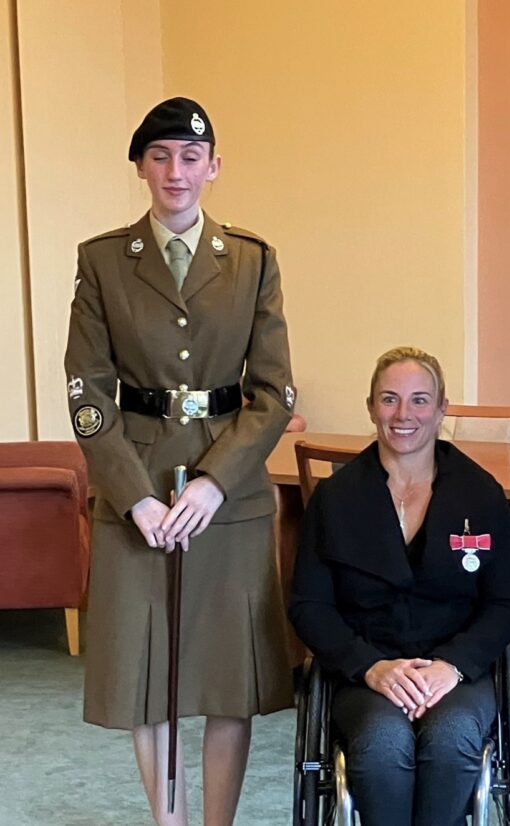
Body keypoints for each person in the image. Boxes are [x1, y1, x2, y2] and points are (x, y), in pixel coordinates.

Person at [65, 97, 296, 826]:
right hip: (134, 485)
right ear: (141, 167)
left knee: (229, 679)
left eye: (190, 157)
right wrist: (135, 497)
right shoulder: (103, 261)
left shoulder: (253, 260)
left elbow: (274, 391)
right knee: (145, 672)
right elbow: (88, 393)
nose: (176, 171)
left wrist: (214, 485)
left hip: (228, 493)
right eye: (160, 156)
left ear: (213, 168)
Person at [289, 346, 510, 826]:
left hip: (457, 669)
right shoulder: (336, 498)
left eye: (420, 400)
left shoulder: (481, 494)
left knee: (454, 735)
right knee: (381, 744)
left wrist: (452, 666)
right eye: (389, 399)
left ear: (442, 409)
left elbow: (504, 604)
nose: (404, 414)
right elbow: (309, 605)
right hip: (368, 667)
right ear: (371, 406)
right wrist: (370, 666)